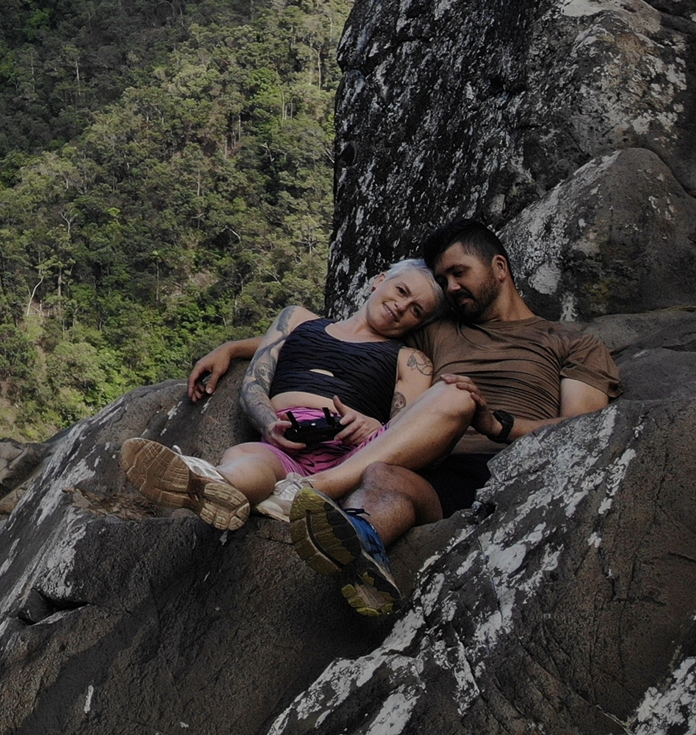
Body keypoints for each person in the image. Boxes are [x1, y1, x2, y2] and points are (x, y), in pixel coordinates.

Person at [178, 219, 619, 618]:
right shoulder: (438, 329)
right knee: (383, 477)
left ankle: (320, 499)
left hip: (512, 463)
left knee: (454, 394)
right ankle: (358, 543)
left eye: (459, 272)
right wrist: (234, 348)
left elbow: (581, 428)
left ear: (499, 267)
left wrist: (495, 424)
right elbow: (345, 334)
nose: (451, 287)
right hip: (426, 464)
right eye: (443, 280)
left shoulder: (571, 341)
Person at [121, 258, 443, 532]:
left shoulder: (410, 361)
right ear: (380, 281)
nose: (401, 307)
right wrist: (268, 424)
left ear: (421, 323)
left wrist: (372, 427)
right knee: (247, 456)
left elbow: (408, 430)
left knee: (256, 457)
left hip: (350, 458)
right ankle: (210, 483)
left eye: (416, 310)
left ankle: (277, 494)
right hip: (284, 443)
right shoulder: (298, 320)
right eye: (401, 291)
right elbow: (254, 383)